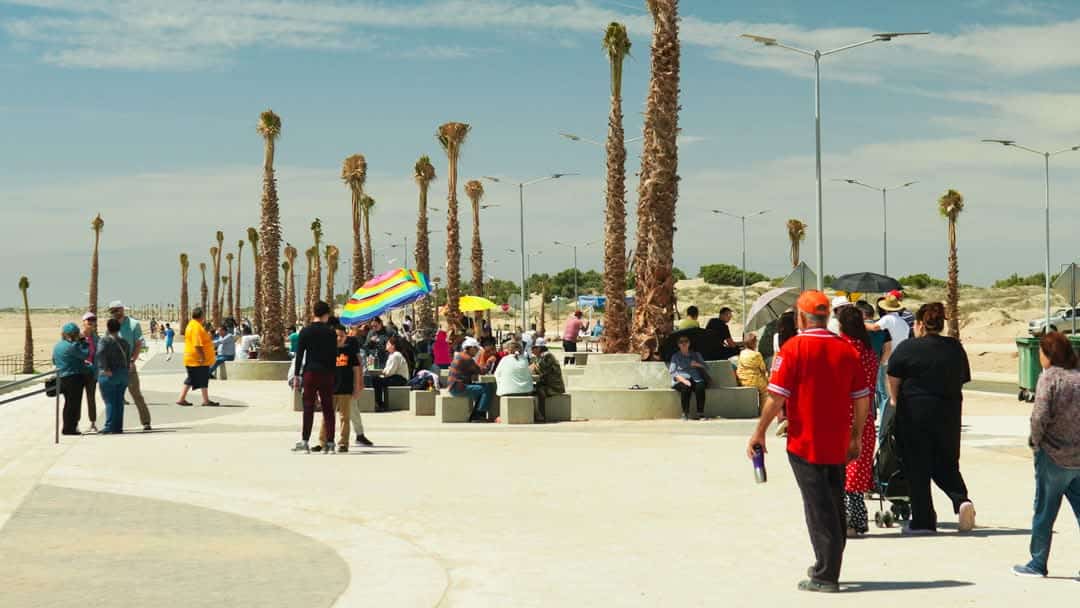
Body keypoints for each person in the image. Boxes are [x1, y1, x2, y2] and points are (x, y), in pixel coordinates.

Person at [746, 290, 870, 593]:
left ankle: (826, 574)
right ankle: (828, 563)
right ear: (827, 316)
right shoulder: (846, 350)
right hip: (838, 440)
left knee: (818, 507)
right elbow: (862, 399)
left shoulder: (793, 349)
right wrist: (856, 436)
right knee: (833, 501)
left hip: (805, 441)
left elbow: (776, 397)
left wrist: (759, 431)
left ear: (801, 317)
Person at [886, 302, 975, 535]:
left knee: (917, 466)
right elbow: (962, 378)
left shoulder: (907, 348)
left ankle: (924, 520)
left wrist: (895, 401)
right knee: (946, 462)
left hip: (914, 414)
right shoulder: (954, 347)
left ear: (919, 324)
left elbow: (893, 377)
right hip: (948, 413)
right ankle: (961, 501)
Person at [1012, 332, 1080, 578]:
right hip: (1078, 458)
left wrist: (1035, 442)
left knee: (1044, 510)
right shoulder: (1078, 377)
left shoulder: (1049, 378)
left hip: (1052, 456)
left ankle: (1037, 563)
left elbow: (1039, 414)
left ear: (1049, 354)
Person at [837, 306, 880, 537]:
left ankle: (847, 520)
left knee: (839, 470)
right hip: (864, 416)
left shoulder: (840, 350)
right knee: (857, 468)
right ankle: (857, 518)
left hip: (841, 415)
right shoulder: (868, 352)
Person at [314, 324, 371, 453]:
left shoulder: (349, 351)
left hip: (345, 389)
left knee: (344, 417)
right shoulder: (326, 352)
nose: (338, 338)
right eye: (336, 336)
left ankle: (343, 443)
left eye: (341, 336)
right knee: (326, 416)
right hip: (329, 389)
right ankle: (322, 442)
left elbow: (356, 370)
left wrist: (357, 387)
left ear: (346, 337)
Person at [293, 301, 339, 452]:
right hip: (327, 373)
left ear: (314, 313)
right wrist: (333, 374)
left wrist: (296, 376)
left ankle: (305, 441)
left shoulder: (305, 332)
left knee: (308, 407)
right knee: (328, 408)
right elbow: (334, 356)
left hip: (310, 373)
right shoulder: (331, 333)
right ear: (326, 314)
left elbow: (299, 356)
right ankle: (331, 443)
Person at [108, 301, 152, 431]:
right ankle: (114, 425)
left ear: (122, 310)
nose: (114, 313)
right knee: (114, 397)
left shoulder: (133, 324)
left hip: (128, 366)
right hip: (114, 367)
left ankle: (146, 422)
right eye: (112, 311)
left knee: (136, 394)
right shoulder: (111, 324)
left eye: (116, 310)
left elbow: (138, 343)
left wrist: (133, 360)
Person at [53, 322, 92, 435]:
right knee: (74, 404)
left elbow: (54, 360)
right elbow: (85, 354)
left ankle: (67, 427)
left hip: (62, 377)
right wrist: (83, 341)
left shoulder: (58, 345)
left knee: (68, 404)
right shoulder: (71, 346)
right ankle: (70, 428)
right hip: (73, 377)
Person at [177, 307, 219, 407]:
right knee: (202, 378)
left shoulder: (192, 325)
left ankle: (182, 399)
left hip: (193, 358)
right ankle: (205, 401)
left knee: (192, 378)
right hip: (197, 359)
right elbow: (197, 344)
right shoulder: (196, 327)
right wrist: (202, 357)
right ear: (201, 316)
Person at [96, 317, 130, 434]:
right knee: (119, 400)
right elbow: (128, 357)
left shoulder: (104, 341)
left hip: (110, 374)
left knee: (110, 400)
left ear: (108, 328)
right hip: (123, 374)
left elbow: (100, 353)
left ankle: (109, 426)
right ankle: (118, 426)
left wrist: (105, 368)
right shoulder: (124, 342)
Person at [448, 337, 493, 422]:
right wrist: (489, 362)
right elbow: (481, 371)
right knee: (486, 389)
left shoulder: (460, 355)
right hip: (459, 388)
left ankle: (475, 414)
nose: (477, 352)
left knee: (481, 389)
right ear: (471, 348)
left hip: (454, 386)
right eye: (476, 349)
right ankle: (479, 415)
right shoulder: (467, 358)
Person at [495, 342, 539, 420]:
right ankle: (536, 414)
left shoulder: (504, 359)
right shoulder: (524, 360)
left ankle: (500, 414)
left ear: (508, 350)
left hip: (507, 392)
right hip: (526, 391)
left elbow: (497, 374)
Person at [670, 334, 708, 421]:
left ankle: (700, 413)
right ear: (678, 345)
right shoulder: (675, 356)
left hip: (696, 378)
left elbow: (706, 367)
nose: (683, 343)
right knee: (685, 387)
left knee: (700, 386)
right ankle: (685, 413)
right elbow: (672, 372)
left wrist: (696, 364)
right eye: (681, 342)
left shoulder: (696, 355)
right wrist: (683, 380)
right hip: (680, 379)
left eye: (686, 341)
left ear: (689, 343)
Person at [531, 338, 566, 423]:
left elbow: (540, 370)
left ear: (539, 348)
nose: (532, 350)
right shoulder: (540, 357)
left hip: (555, 387)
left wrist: (532, 366)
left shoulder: (547, 356)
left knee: (540, 391)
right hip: (547, 384)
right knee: (532, 390)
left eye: (534, 348)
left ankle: (542, 416)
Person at [372, 335, 410, 412]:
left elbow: (390, 372)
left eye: (388, 344)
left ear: (393, 346)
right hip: (395, 377)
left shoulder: (396, 355)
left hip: (400, 379)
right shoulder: (392, 355)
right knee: (376, 379)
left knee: (376, 380)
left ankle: (379, 404)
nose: (386, 345)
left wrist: (381, 374)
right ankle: (378, 402)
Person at [735, 333, 768, 410]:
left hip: (743, 380)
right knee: (765, 391)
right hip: (755, 381)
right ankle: (763, 410)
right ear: (754, 343)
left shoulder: (742, 353)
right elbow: (763, 369)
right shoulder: (757, 354)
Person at [81, 312, 100, 433]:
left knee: (91, 398)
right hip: (79, 372)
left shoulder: (96, 338)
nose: (91, 323)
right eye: (89, 320)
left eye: (93, 321)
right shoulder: (78, 337)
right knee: (75, 399)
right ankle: (74, 424)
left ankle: (93, 423)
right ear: (83, 322)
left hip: (92, 373)